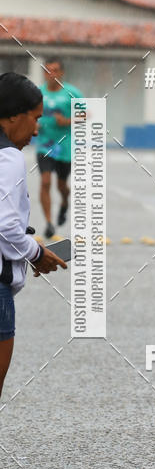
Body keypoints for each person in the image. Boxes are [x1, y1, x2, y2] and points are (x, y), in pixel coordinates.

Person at [0, 72, 67, 399]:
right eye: (35, 118)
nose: (37, 129)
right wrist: (37, 252)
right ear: (13, 115)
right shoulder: (9, 157)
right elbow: (5, 224)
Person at [36, 57, 83, 238]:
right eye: (48, 70)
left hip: (65, 146)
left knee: (61, 185)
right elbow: (29, 114)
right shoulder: (38, 93)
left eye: (55, 70)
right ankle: (49, 223)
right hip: (45, 145)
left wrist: (68, 121)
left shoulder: (72, 93)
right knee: (45, 181)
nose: (52, 74)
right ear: (44, 73)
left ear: (61, 73)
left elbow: (86, 115)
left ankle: (64, 202)